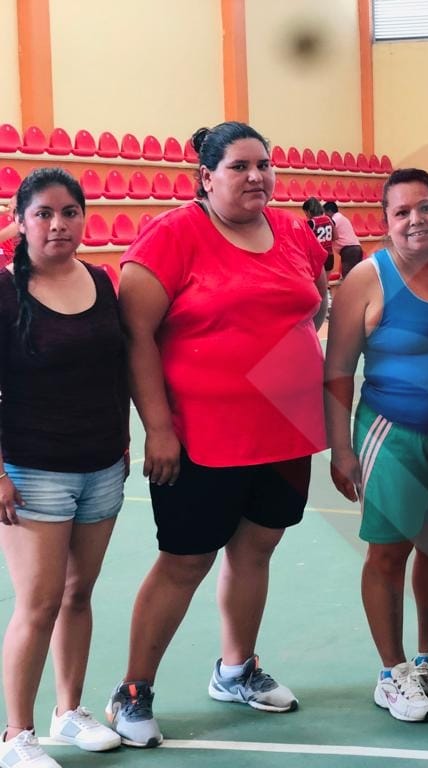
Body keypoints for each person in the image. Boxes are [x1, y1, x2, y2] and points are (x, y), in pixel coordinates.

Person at [107, 121, 328, 747]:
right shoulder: (172, 235)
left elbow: (314, 303)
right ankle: (132, 692)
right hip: (200, 436)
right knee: (186, 561)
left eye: (264, 165)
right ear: (206, 177)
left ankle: (236, 669)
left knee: (256, 550)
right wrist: (158, 427)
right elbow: (136, 335)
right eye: (239, 166)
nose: (256, 176)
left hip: (283, 432)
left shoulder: (292, 231)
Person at [325, 168, 428, 723]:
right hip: (392, 435)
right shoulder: (367, 279)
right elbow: (338, 370)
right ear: (385, 221)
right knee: (388, 553)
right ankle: (392, 672)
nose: (416, 220)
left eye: (426, 207)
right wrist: (341, 449)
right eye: (402, 212)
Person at [0, 168, 126, 768]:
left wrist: (122, 442)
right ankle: (16, 734)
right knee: (39, 603)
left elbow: (115, 370)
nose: (58, 224)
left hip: (101, 468)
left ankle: (68, 710)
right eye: (44, 213)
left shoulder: (100, 280)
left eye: (70, 212)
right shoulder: (5, 291)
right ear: (20, 221)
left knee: (78, 594)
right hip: (33, 472)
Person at [323, 200, 364, 279]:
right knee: (356, 277)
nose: (325, 215)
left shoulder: (335, 219)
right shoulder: (341, 218)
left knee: (348, 278)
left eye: (325, 213)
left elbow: (327, 229)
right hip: (355, 249)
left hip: (349, 251)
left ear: (330, 211)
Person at [302, 196, 335, 272]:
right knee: (327, 279)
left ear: (309, 211)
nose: (306, 215)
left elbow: (307, 242)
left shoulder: (311, 223)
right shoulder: (329, 219)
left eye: (305, 213)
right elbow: (335, 237)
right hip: (329, 256)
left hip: (317, 257)